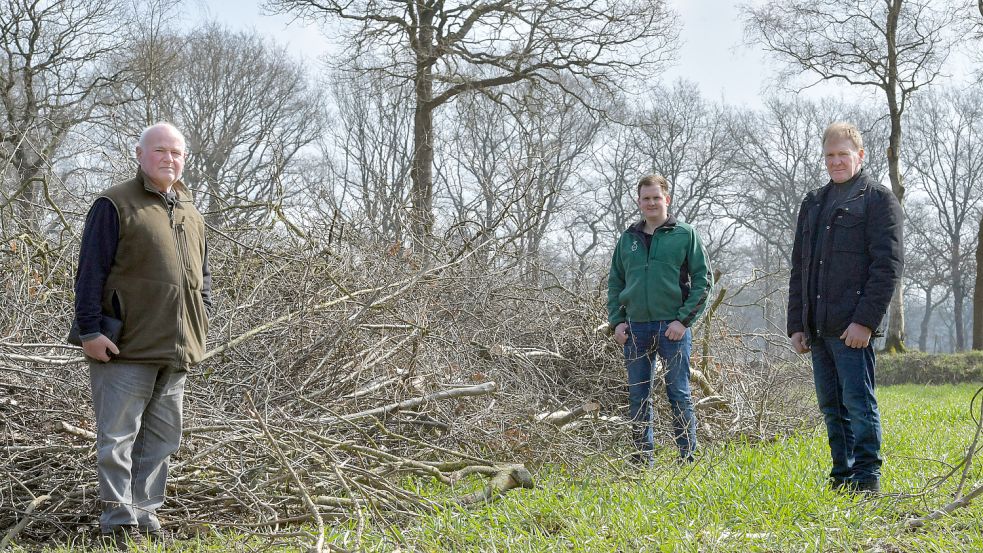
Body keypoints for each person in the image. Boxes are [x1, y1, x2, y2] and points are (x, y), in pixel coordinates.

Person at [74, 122, 211, 547]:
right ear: (139, 154)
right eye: (160, 151)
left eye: (176, 152)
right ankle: (118, 519)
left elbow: (202, 280)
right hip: (124, 346)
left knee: (163, 438)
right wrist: (89, 331)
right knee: (117, 437)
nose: (169, 159)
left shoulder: (191, 212)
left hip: (176, 348)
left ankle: (145, 513)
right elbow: (89, 272)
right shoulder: (114, 204)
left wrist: (201, 319)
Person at [787, 122, 903, 494]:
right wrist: (797, 324)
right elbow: (799, 268)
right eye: (830, 155)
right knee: (832, 408)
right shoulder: (813, 202)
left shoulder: (878, 200)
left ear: (860, 155)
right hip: (818, 329)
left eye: (843, 154)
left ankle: (867, 479)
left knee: (859, 404)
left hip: (853, 329)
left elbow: (887, 267)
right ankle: (842, 476)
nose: (836, 162)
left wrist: (866, 322)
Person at [607, 174, 713, 465]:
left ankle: (687, 459)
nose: (651, 203)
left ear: (667, 199)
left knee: (678, 393)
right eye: (646, 198)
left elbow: (704, 281)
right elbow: (615, 282)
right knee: (638, 396)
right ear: (639, 202)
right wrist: (617, 322)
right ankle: (643, 460)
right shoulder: (628, 238)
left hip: (672, 329)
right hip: (636, 330)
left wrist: (683, 322)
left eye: (656, 197)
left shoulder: (685, 234)